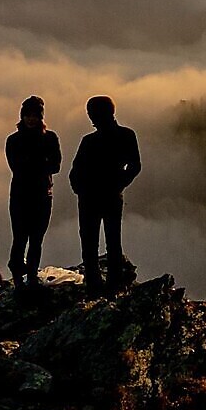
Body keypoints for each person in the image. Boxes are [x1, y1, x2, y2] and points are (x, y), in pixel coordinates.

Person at [69, 96, 141, 294]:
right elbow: (134, 166)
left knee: (92, 241)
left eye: (92, 113)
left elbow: (75, 171)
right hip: (104, 195)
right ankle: (110, 285)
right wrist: (118, 185)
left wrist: (80, 188)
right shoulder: (125, 135)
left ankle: (97, 285)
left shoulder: (90, 141)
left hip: (93, 197)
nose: (91, 118)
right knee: (110, 240)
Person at [5, 95, 61, 285]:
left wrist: (32, 163)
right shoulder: (13, 141)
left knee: (36, 238)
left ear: (40, 117)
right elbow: (17, 166)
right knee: (20, 237)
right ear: (22, 116)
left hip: (41, 195)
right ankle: (19, 275)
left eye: (34, 115)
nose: (31, 119)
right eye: (27, 115)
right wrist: (41, 163)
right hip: (22, 196)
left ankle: (30, 276)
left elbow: (56, 165)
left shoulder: (50, 138)